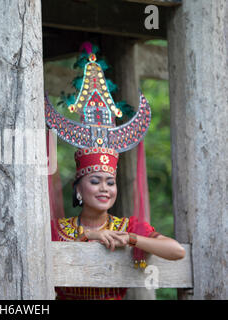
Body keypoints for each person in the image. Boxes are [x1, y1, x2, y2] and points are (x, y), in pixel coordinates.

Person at [45, 43, 185, 300]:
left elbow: (176, 251)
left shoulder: (127, 227)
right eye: (95, 181)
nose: (104, 188)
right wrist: (89, 235)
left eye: (110, 182)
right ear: (78, 188)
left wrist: (131, 239)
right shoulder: (57, 231)